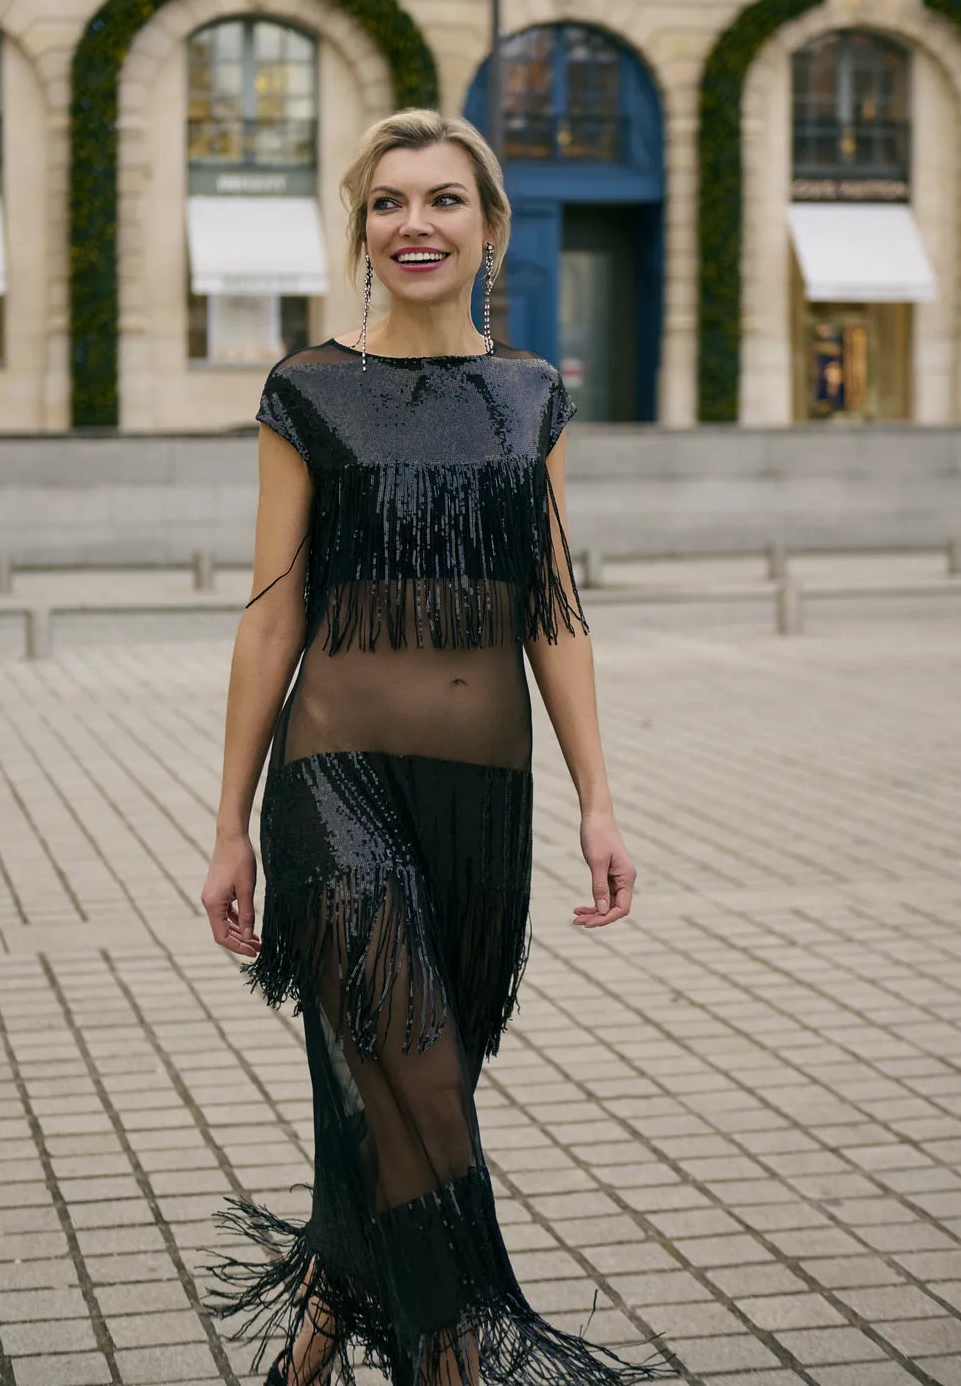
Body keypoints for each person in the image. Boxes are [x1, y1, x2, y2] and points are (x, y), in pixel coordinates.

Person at [200, 111, 673, 1386]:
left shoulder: (530, 396)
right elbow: (270, 613)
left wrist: (598, 804)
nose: (415, 224)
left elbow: (553, 608)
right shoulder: (307, 388)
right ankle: (453, 1358)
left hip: (482, 805)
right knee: (424, 1095)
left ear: (488, 226)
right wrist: (230, 821)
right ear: (360, 226)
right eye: (388, 201)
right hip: (331, 784)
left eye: (444, 200)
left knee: (408, 1085)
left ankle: (317, 1322)